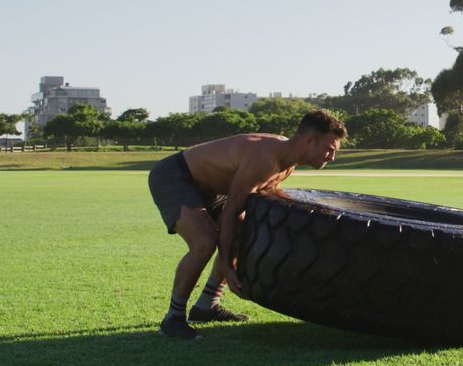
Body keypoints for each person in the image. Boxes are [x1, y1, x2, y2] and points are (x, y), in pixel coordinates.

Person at [147, 109, 347, 339]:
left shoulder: (288, 164)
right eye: (329, 149)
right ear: (310, 140)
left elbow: (251, 207)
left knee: (244, 230)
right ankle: (173, 318)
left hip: (212, 188)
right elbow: (230, 212)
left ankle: (206, 305)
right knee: (204, 241)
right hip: (176, 176)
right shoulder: (265, 158)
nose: (332, 157)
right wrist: (230, 268)